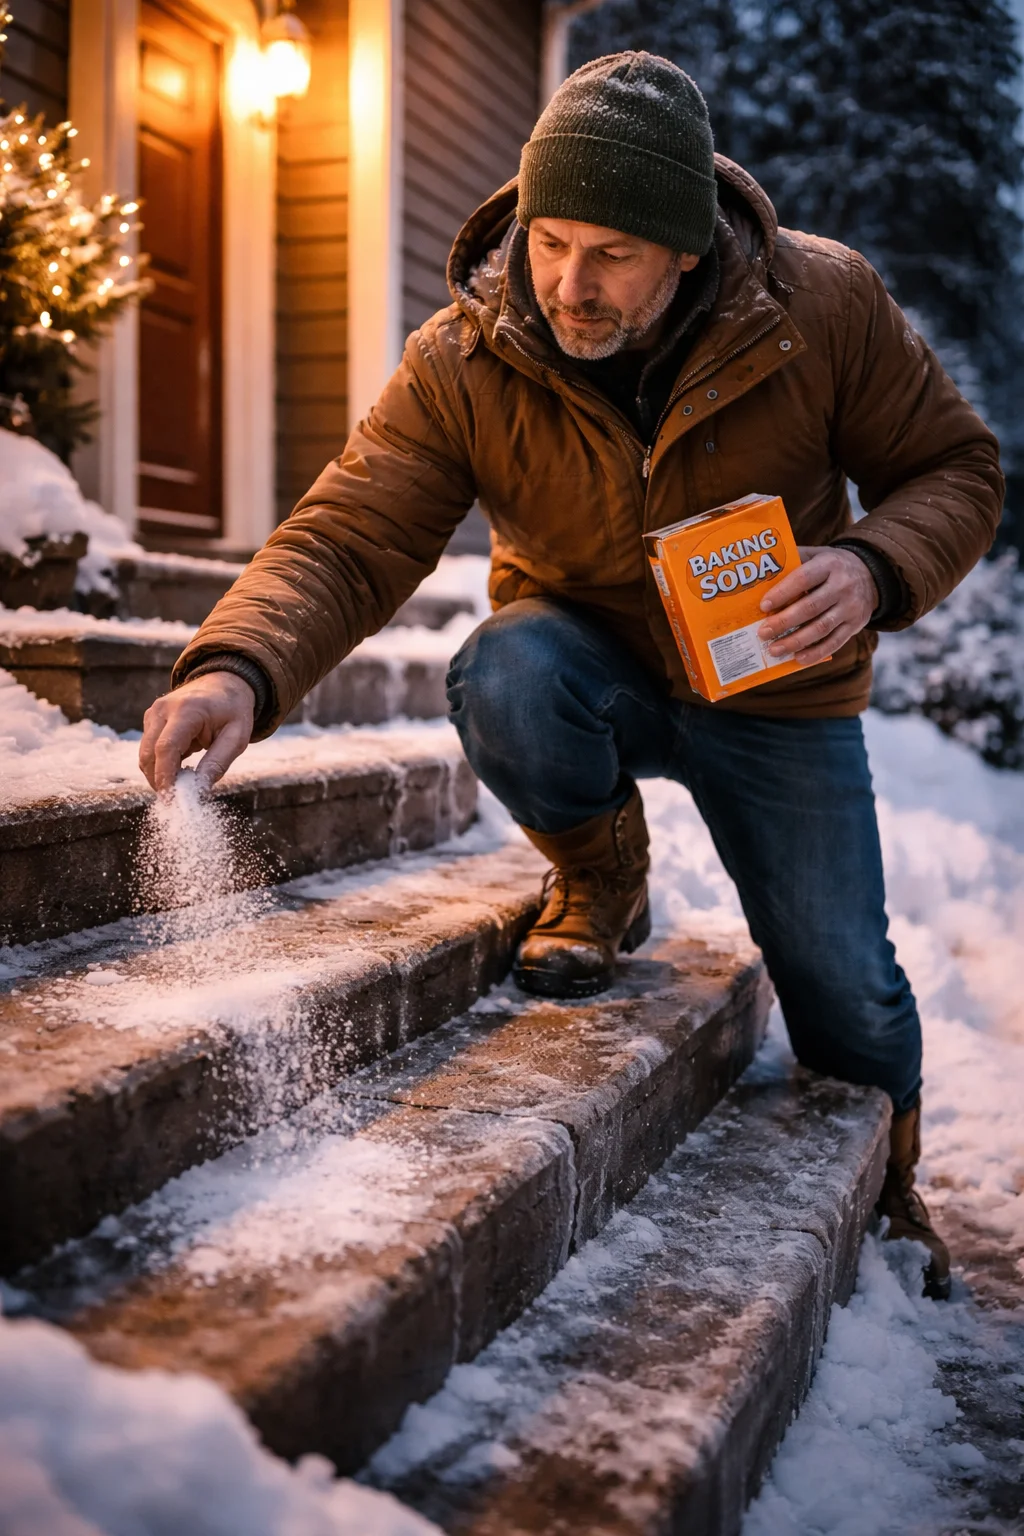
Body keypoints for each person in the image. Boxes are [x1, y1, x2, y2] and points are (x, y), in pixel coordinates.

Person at [139, 53, 1004, 1299]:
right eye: (549, 241)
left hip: (775, 694)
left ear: (688, 253)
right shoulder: (467, 354)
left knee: (850, 996)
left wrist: (871, 566)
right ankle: (600, 875)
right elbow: (350, 532)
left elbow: (956, 470)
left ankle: (889, 1181)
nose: (566, 284)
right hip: (584, 667)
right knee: (503, 666)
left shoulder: (822, 307)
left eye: (611, 254)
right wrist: (236, 667)